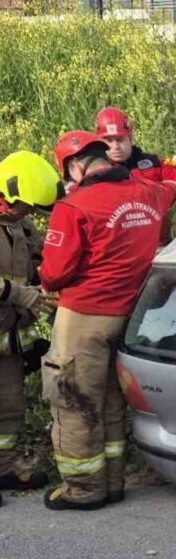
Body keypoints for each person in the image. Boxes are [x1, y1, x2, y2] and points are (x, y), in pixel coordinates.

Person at [38, 131, 176, 511]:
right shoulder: (149, 193)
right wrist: (174, 168)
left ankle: (83, 489)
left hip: (84, 317)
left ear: (75, 166)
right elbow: (170, 187)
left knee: (74, 400)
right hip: (131, 316)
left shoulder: (74, 206)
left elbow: (53, 274)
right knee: (113, 400)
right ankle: (114, 482)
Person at [0, 151, 61, 509]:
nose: (28, 213)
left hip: (8, 337)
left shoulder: (20, 225)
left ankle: (5, 468)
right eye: (24, 205)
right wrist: (22, 295)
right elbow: (15, 287)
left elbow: (41, 260)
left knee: (9, 407)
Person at [94, 107, 176, 188]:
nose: (115, 147)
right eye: (109, 141)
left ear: (130, 138)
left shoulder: (154, 163)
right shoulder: (95, 173)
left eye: (120, 140)